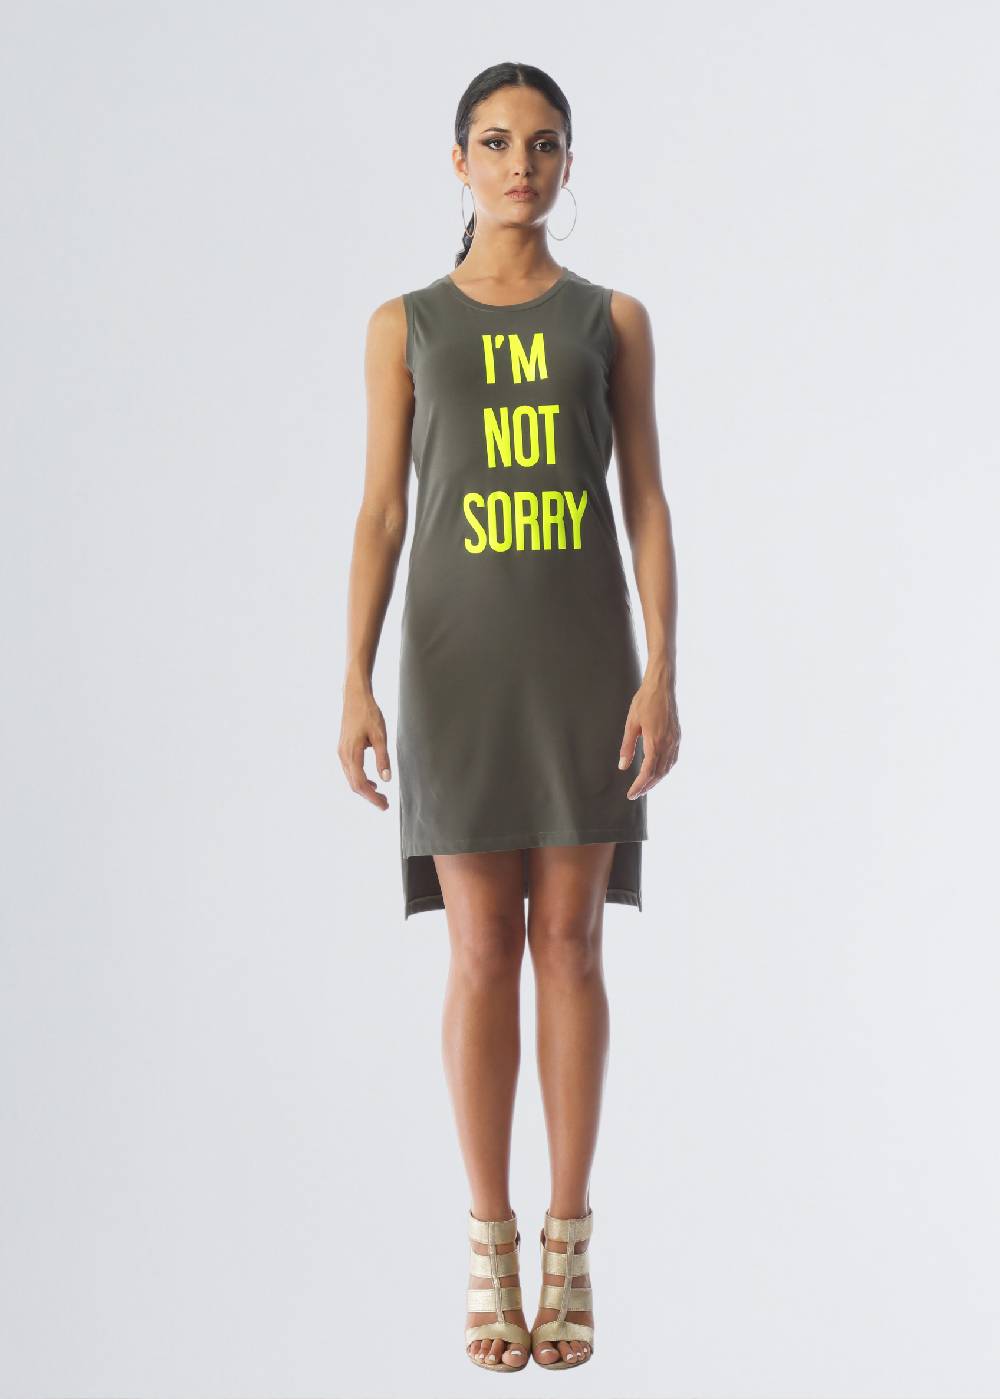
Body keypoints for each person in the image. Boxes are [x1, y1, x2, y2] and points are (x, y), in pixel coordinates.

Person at [339, 60, 680, 1371]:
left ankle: (569, 1243)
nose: (520, 166)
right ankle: (489, 1247)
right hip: (454, 666)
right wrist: (354, 678)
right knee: (481, 948)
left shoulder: (612, 319)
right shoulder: (407, 324)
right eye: (495, 142)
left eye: (542, 145)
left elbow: (644, 501)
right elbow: (382, 511)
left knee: (573, 945)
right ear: (459, 162)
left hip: (586, 662)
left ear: (568, 164)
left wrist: (662, 670)